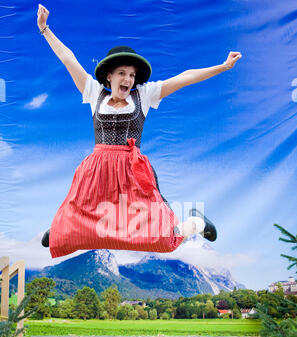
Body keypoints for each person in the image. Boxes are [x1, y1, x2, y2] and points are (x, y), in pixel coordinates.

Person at [37, 4, 242, 259]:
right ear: (109, 76)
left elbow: (185, 77)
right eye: (122, 73)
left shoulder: (144, 95)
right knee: (85, 229)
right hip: (97, 170)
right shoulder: (93, 93)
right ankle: (56, 230)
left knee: (159, 238)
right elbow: (69, 59)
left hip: (132, 172)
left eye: (132, 75)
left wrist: (222, 67)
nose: (128, 79)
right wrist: (45, 29)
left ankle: (197, 224)